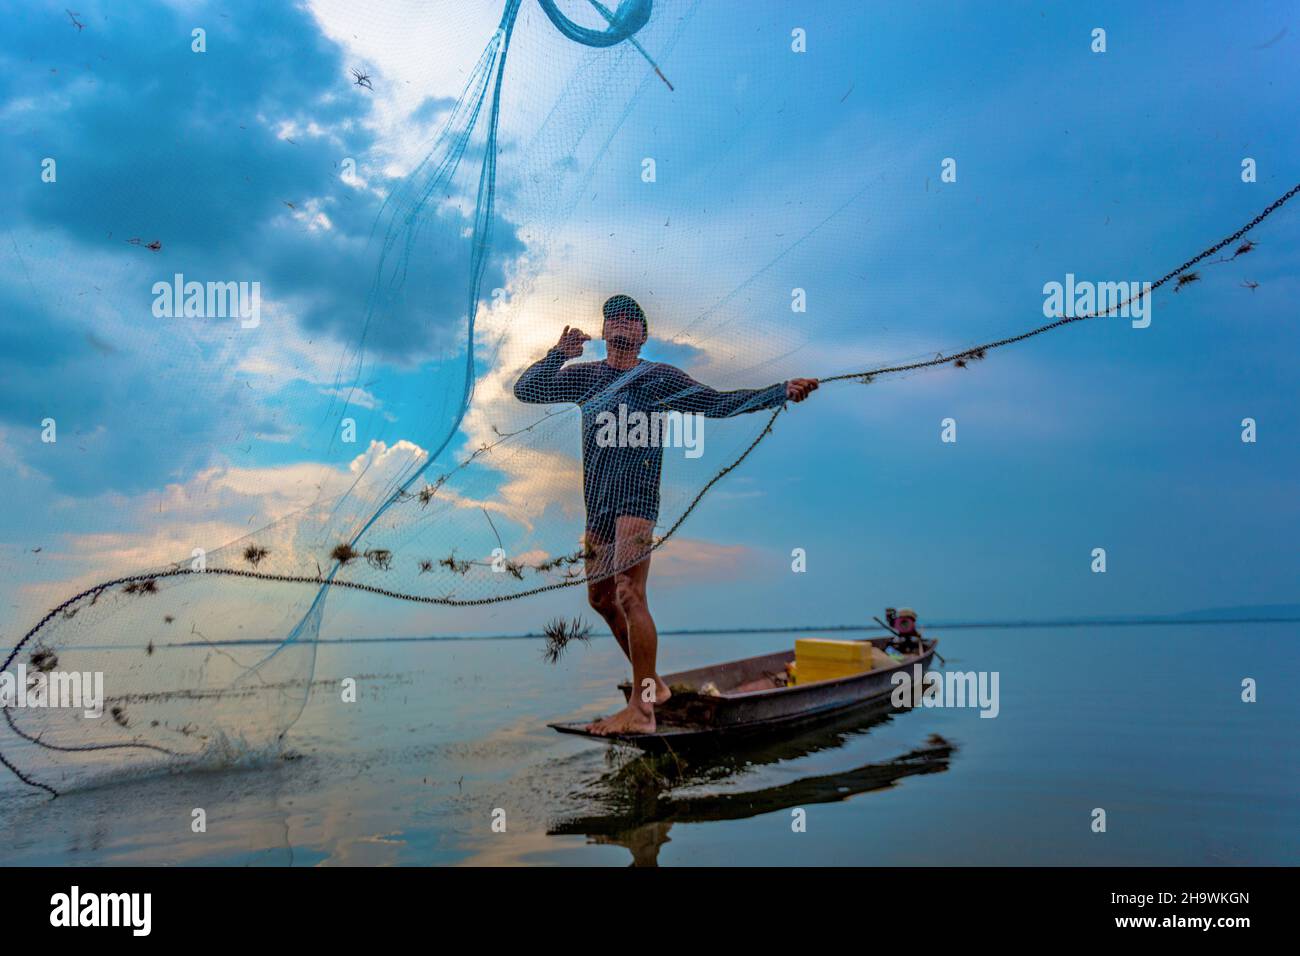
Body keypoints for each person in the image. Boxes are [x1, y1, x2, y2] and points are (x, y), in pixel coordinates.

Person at [513, 294, 819, 734]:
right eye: (612, 317)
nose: (621, 322)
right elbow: (527, 391)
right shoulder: (585, 379)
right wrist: (558, 355)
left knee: (629, 593)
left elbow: (717, 403)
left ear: (643, 335)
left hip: (637, 497)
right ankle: (653, 683)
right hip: (596, 501)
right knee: (599, 599)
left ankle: (642, 709)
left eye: (631, 318)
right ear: (602, 332)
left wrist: (778, 392)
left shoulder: (658, 378)